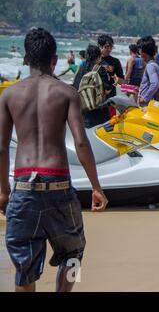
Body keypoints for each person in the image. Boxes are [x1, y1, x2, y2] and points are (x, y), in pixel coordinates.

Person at [0, 28, 108, 293]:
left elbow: (1, 148)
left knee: (24, 269)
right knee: (74, 251)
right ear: (55, 60)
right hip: (58, 186)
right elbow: (81, 142)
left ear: (25, 59)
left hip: (24, 187)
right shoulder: (66, 93)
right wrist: (96, 186)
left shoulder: (9, 95)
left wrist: (3, 191)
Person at [73, 45, 113, 128]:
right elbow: (107, 90)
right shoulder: (100, 69)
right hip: (99, 110)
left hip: (84, 109)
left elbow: (75, 86)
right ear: (98, 57)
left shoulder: (81, 67)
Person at [97, 35, 124, 99]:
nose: (109, 49)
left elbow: (121, 81)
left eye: (111, 47)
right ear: (99, 46)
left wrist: (118, 80)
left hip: (110, 95)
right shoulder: (93, 60)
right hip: (96, 94)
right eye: (106, 47)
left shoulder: (115, 61)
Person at [137, 40, 159, 107]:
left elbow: (155, 84)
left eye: (140, 50)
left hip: (146, 104)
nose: (139, 52)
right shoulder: (154, 63)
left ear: (144, 52)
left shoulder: (150, 65)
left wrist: (145, 98)